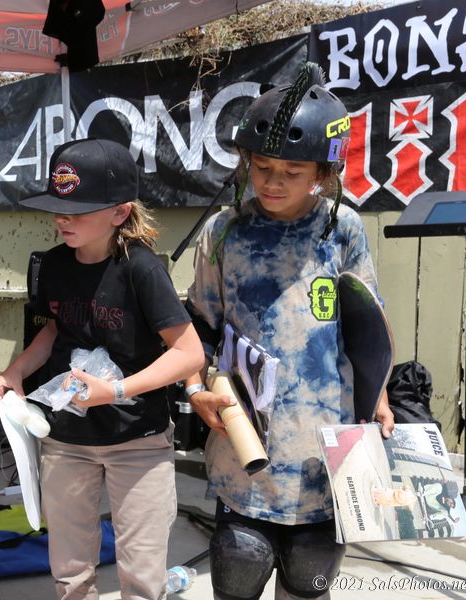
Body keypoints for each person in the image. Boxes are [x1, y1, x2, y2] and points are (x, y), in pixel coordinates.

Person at [184, 62, 396, 600]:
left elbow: (366, 326)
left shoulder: (342, 229)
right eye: (262, 167)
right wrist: (194, 388)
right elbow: (200, 326)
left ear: (323, 173)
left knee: (310, 576)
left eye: (292, 172)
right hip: (245, 446)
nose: (273, 182)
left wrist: (379, 396)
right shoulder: (225, 230)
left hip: (321, 450)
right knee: (238, 569)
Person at [0, 138, 205, 600]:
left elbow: (189, 354)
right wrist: (14, 373)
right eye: (57, 208)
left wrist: (117, 391)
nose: (62, 219)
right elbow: (55, 329)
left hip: (138, 441)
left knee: (142, 576)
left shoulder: (142, 269)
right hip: (65, 440)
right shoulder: (53, 264)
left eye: (78, 211)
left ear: (119, 212)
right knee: (70, 574)